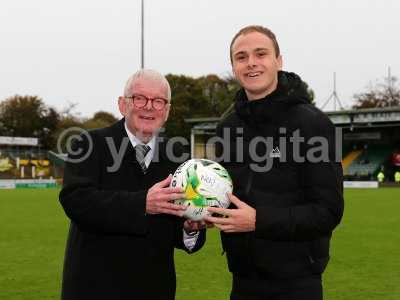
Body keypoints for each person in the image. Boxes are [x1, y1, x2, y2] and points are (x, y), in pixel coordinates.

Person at [205, 25, 344, 300]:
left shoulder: (312, 123)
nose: (251, 63)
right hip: (242, 280)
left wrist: (258, 220)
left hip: (296, 284)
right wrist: (205, 211)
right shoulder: (227, 127)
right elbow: (232, 197)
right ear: (233, 66)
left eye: (261, 54)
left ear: (278, 61)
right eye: (241, 57)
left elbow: (328, 211)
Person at [59, 69, 206, 300]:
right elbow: (76, 201)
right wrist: (142, 203)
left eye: (158, 101)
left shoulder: (180, 157)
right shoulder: (88, 143)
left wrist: (189, 227)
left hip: (155, 289)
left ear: (166, 111)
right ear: (122, 104)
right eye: (139, 98)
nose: (149, 107)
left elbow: (176, 225)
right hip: (95, 288)